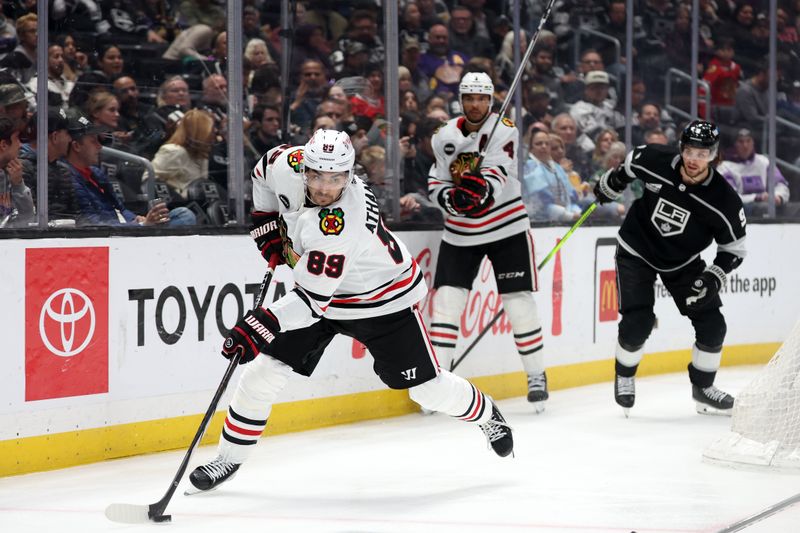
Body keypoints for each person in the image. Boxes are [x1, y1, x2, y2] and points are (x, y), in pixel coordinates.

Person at [188, 130, 514, 493]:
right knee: (264, 372)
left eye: (336, 179)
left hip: (381, 300)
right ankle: (228, 458)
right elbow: (262, 171)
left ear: (349, 175)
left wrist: (262, 323)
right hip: (320, 292)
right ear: (304, 167)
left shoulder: (342, 223)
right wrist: (265, 221)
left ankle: (487, 414)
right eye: (317, 176)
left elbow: (312, 303)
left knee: (427, 391)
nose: (326, 188)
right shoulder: (287, 163)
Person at [592, 120, 746, 416]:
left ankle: (703, 388)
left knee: (714, 324)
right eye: (690, 151)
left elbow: (734, 249)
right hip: (637, 249)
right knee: (638, 321)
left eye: (702, 154)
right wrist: (613, 181)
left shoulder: (724, 200)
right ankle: (624, 374)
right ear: (681, 149)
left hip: (684, 262)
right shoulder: (654, 159)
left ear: (714, 155)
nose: (694, 159)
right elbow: (629, 165)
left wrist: (713, 276)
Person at [427, 72, 549, 411]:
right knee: (446, 304)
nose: (475, 104)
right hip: (460, 232)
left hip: (506, 227)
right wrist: (450, 200)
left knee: (518, 303)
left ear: (491, 100)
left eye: (481, 98)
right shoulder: (443, 136)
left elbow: (496, 172)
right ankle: (438, 382)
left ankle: (536, 375)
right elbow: (436, 180)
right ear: (461, 100)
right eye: (469, 98)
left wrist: (477, 191)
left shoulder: (505, 128)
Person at [60, 113, 195, 227]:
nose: (100, 147)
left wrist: (136, 219)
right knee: (185, 217)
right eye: (93, 141)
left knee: (182, 213)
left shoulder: (96, 173)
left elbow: (121, 209)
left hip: (126, 228)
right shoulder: (69, 179)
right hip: (113, 239)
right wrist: (140, 225)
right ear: (77, 146)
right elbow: (93, 225)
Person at [717, 128, 791, 218]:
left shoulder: (764, 161)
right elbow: (731, 198)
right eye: (741, 142)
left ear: (753, 143)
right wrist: (757, 197)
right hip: (741, 210)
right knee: (764, 208)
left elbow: (781, 184)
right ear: (735, 144)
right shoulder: (725, 167)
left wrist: (778, 196)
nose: (745, 145)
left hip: (767, 204)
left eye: (748, 141)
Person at [0, 116, 33, 228]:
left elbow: (27, 219)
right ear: (4, 145)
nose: (20, 145)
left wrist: (18, 185)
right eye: (17, 140)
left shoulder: (10, 173)